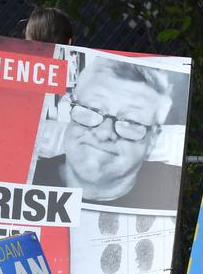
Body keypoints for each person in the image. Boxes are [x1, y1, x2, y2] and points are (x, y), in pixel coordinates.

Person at [18, 6, 89, 274]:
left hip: (59, 218)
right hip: (20, 212)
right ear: (72, 44)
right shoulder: (13, 84)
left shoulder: (83, 91)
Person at [31, 56, 181, 211]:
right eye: (93, 109)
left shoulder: (175, 190)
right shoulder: (23, 178)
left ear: (153, 139)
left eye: (130, 121)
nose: (103, 133)